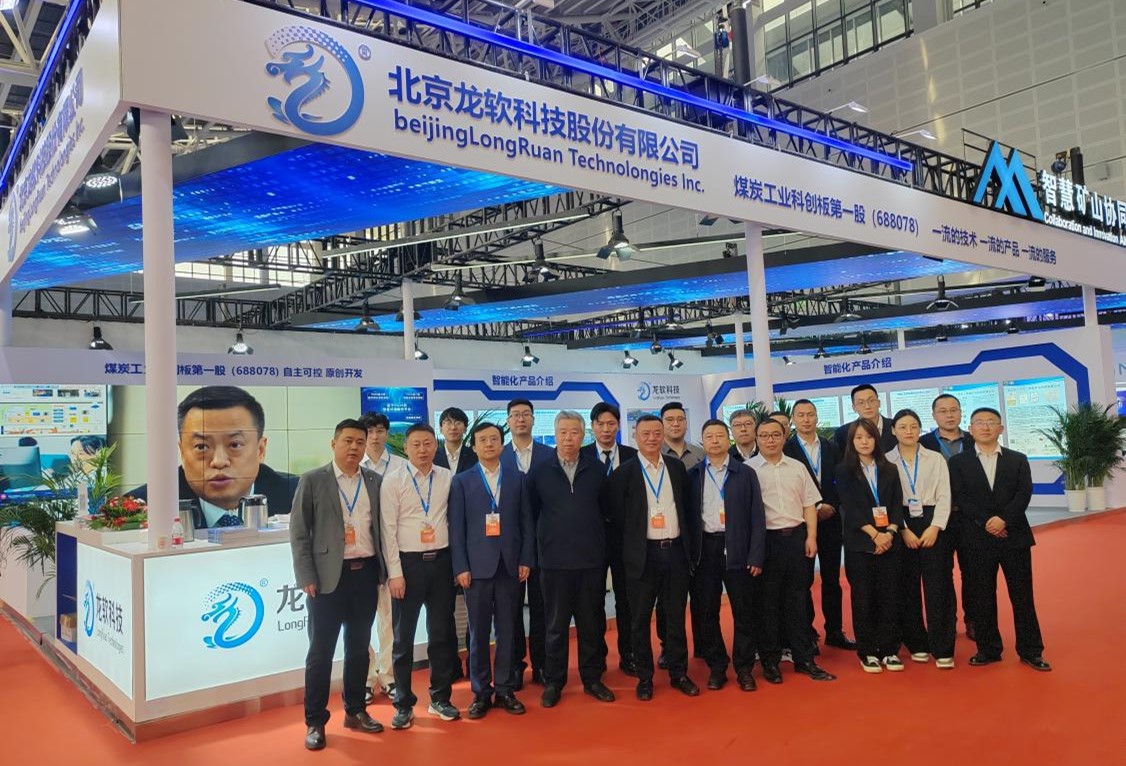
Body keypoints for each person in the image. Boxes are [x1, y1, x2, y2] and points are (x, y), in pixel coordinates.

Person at [290, 419, 386, 750]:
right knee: (321, 652)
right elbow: (299, 533)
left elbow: (381, 529)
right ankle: (315, 721)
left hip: (365, 574)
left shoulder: (373, 480)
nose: (354, 447)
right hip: (327, 579)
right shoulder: (313, 480)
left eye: (360, 442)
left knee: (359, 648)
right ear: (334, 444)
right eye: (348, 441)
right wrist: (306, 576)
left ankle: (355, 710)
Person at [607, 414, 700, 700]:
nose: (651, 438)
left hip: (674, 552)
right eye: (645, 433)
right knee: (639, 620)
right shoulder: (623, 473)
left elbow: (687, 508)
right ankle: (645, 678)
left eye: (656, 433)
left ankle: (679, 673)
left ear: (663, 435)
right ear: (635, 436)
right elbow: (616, 519)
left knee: (675, 617)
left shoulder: (675, 467)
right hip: (642, 556)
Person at [949, 408, 1049, 672]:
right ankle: (988, 649)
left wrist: (1003, 520)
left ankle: (1031, 651)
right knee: (982, 596)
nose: (985, 427)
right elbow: (960, 496)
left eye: (991, 422)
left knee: (1022, 596)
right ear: (970, 429)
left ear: (1001, 429)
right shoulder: (958, 463)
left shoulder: (1017, 459)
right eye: (979, 423)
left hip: (1014, 536)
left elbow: (1023, 494)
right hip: (976, 538)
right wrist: (986, 522)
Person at [529, 411, 615, 707]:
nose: (568, 438)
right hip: (553, 563)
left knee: (591, 624)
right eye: (563, 432)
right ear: (555, 435)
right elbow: (532, 514)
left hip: (590, 561)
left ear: (583, 435)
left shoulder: (596, 469)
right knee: (555, 626)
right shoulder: (540, 471)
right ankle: (554, 681)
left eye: (574, 432)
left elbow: (605, 510)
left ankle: (592, 679)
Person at [449, 422, 533, 718]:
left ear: (501, 444)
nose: (488, 444)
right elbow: (456, 529)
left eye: (494, 439)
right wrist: (460, 566)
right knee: (479, 634)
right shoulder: (462, 481)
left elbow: (526, 523)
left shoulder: (517, 478)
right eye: (482, 440)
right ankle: (481, 692)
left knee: (508, 631)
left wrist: (525, 559)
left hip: (510, 567)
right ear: (473, 446)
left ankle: (506, 689)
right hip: (476, 570)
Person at [380, 424, 460, 730]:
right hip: (408, 565)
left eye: (428, 444)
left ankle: (440, 698)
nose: (423, 450)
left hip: (441, 563)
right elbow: (387, 530)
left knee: (441, 635)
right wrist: (395, 574)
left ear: (435, 446)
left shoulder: (447, 478)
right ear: (406, 448)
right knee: (403, 639)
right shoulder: (393, 481)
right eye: (416, 444)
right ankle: (403, 703)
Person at [132, 385, 298, 528]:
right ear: (182, 451)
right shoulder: (140, 507)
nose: (219, 462)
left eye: (235, 445)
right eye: (202, 447)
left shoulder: (298, 496)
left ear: (260, 450)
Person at [747, 418, 836, 683]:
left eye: (775, 434)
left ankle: (804, 659)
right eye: (764, 435)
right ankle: (771, 661)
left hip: (796, 538)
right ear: (756, 438)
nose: (770, 440)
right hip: (766, 542)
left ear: (784, 436)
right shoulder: (748, 470)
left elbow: (810, 504)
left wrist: (811, 537)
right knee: (768, 603)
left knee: (798, 600)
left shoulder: (798, 467)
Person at [688, 419, 765, 692]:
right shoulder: (693, 475)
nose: (715, 440)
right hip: (706, 550)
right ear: (703, 441)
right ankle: (717, 667)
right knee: (706, 612)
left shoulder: (745, 473)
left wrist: (756, 555)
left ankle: (744, 668)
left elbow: (757, 517)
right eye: (709, 436)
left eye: (720, 435)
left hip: (738, 547)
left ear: (728, 438)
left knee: (744, 611)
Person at [783, 399, 855, 652]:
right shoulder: (787, 449)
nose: (806, 419)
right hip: (803, 524)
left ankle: (834, 631)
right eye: (801, 415)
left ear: (817, 417)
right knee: (803, 581)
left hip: (831, 520)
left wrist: (830, 505)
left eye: (810, 414)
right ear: (793, 419)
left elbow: (841, 480)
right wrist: (813, 508)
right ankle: (808, 633)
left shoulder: (831, 446)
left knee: (832, 579)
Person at [887, 409, 956, 668]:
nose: (908, 431)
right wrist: (902, 529)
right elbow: (887, 499)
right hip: (900, 521)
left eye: (913, 426)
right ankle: (916, 642)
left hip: (932, 520)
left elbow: (945, 495)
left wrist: (935, 526)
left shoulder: (935, 458)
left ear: (920, 429)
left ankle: (943, 647)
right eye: (902, 427)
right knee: (907, 586)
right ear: (893, 431)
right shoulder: (886, 461)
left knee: (939, 585)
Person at [836, 419, 905, 673]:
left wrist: (890, 532)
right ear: (851, 442)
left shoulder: (890, 469)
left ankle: (889, 649)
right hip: (860, 542)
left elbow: (897, 503)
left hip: (889, 541)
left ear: (877, 439)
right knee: (863, 597)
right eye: (859, 438)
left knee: (890, 596)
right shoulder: (844, 471)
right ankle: (867, 651)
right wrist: (875, 535)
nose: (864, 442)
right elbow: (850, 508)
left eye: (869, 437)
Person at [580, 402, 639, 676]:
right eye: (600, 424)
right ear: (592, 427)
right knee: (592, 601)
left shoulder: (632, 456)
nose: (606, 429)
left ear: (618, 426)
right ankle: (597, 656)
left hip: (624, 537)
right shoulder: (581, 455)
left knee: (626, 599)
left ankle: (629, 654)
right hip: (591, 538)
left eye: (611, 424)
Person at [501, 398, 554, 689]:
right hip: (509, 545)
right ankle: (515, 665)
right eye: (515, 415)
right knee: (510, 609)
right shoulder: (498, 455)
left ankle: (542, 665)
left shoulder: (549, 454)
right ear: (508, 421)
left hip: (544, 543)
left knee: (541, 607)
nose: (520, 419)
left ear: (534, 419)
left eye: (525, 414)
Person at [919, 393, 976, 641]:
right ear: (934, 415)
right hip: (937, 520)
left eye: (954, 410)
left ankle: (974, 620)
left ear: (961, 413)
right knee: (941, 574)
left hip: (970, 518)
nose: (949, 415)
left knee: (973, 572)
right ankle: (946, 623)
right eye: (943, 411)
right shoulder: (923, 443)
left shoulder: (974, 440)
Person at [359, 412, 403, 704]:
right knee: (360, 621)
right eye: (369, 431)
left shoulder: (401, 466)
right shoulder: (353, 464)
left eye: (379, 430)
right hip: (361, 551)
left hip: (391, 551)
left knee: (389, 619)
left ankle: (388, 676)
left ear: (387, 433)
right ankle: (365, 677)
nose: (374, 437)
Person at [833, 384, 896, 453]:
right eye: (861, 403)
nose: (867, 406)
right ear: (854, 408)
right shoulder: (843, 433)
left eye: (871, 401)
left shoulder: (895, 426)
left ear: (879, 403)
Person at [660, 401, 705, 469]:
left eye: (680, 419)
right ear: (661, 424)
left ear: (686, 423)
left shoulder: (700, 453)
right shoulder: (654, 453)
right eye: (670, 420)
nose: (676, 424)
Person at [434, 407, 479, 475]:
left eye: (458, 423)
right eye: (448, 423)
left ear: (465, 429)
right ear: (441, 429)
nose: (453, 427)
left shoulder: (475, 455)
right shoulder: (433, 456)